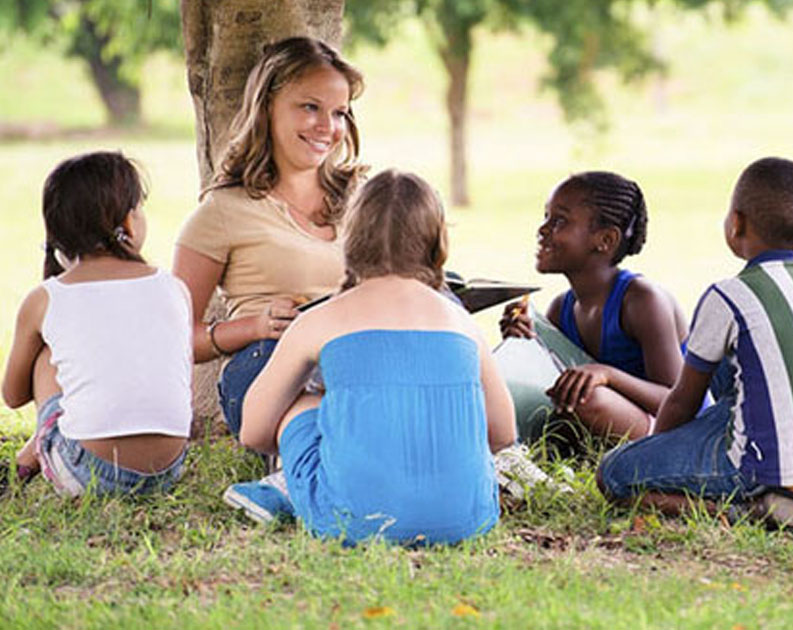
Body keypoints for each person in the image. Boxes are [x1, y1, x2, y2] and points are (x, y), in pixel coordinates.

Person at [228, 170, 516, 545]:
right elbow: (504, 432)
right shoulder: (462, 322)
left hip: (351, 522)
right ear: (437, 241)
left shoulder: (319, 320)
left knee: (303, 400)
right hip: (469, 519)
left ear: (351, 238)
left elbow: (253, 430)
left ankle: (287, 487)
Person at [597, 157, 793, 527]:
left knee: (614, 474)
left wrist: (654, 449)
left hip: (758, 470)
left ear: (736, 223)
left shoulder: (730, 295)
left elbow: (683, 401)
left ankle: (750, 511)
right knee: (734, 353)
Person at [173, 36, 368, 437]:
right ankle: (303, 460)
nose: (327, 127)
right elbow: (176, 337)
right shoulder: (222, 212)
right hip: (270, 366)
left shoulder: (364, 200)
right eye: (310, 107)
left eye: (339, 113)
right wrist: (255, 326)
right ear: (266, 107)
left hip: (353, 358)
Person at [2, 151, 191, 497]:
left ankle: (26, 459)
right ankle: (31, 455)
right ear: (129, 223)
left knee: (46, 352)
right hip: (168, 470)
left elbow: (12, 396)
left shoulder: (46, 298)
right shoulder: (173, 287)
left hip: (87, 472)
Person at [499, 171, 689, 444]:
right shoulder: (561, 308)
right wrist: (524, 342)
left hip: (676, 433)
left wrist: (607, 375)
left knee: (586, 398)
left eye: (559, 221)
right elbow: (546, 385)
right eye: (546, 217)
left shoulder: (642, 300)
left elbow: (677, 402)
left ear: (606, 240)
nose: (543, 230)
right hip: (616, 427)